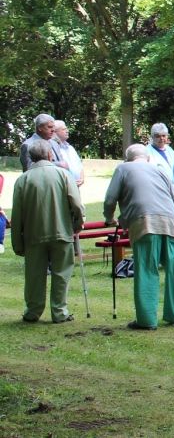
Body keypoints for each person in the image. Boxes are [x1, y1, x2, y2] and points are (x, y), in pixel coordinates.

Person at [104, 144, 174, 330]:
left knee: (147, 269)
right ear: (147, 158)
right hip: (170, 221)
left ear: (127, 159)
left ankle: (147, 320)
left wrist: (110, 219)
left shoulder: (122, 168)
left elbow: (110, 199)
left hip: (144, 222)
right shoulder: (160, 171)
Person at [10, 140, 84, 323]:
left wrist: (17, 243)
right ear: (51, 155)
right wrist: (78, 223)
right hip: (61, 231)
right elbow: (76, 204)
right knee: (62, 273)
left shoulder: (23, 179)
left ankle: (32, 312)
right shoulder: (63, 175)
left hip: (33, 234)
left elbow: (17, 215)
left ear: (31, 157)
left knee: (34, 275)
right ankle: (59, 312)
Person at [52, 121, 84, 187]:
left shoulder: (70, 148)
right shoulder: (53, 149)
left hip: (75, 186)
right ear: (55, 132)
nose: (67, 131)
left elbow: (79, 165)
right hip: (63, 187)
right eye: (63, 129)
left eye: (66, 129)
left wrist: (82, 178)